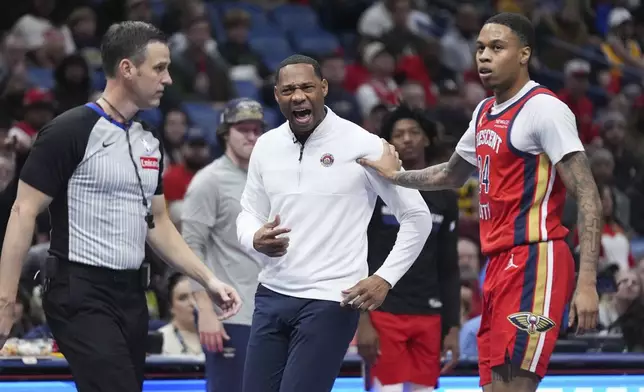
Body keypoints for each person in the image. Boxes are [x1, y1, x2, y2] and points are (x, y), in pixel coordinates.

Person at [359, 13, 602, 392]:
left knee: (513, 386)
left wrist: (587, 281)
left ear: (524, 54)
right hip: (498, 262)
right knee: (493, 387)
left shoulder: (545, 109)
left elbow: (587, 194)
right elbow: (450, 176)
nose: (483, 57)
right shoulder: (484, 111)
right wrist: (395, 177)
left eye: (496, 48)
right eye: (480, 48)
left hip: (536, 258)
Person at [0, 21, 241, 392]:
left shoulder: (149, 139)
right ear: (127, 69)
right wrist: (4, 301)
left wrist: (207, 279)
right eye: (159, 68)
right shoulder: (69, 130)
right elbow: (22, 213)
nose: (169, 79)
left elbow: (158, 222)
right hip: (79, 291)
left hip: (132, 296)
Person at [237, 54, 433, 392]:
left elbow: (417, 217)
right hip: (271, 294)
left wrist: (385, 278)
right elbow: (248, 211)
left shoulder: (364, 145)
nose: (297, 96)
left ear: (324, 88)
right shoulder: (266, 145)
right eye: (288, 90)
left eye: (306, 87)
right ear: (276, 96)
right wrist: (252, 237)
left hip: (330, 300)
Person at [357, 104, 461, 392]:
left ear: (427, 139)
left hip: (430, 314)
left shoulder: (444, 197)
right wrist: (361, 320)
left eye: (414, 132)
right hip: (383, 311)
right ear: (389, 143)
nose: (407, 138)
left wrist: (453, 327)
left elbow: (449, 266)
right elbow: (357, 254)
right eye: (398, 134)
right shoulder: (375, 190)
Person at [182, 98, 265, 392]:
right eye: (243, 129)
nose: (252, 136)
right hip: (229, 313)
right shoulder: (209, 181)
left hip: (269, 311)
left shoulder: (267, 179)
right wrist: (204, 310)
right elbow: (190, 249)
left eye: (256, 129)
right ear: (225, 133)